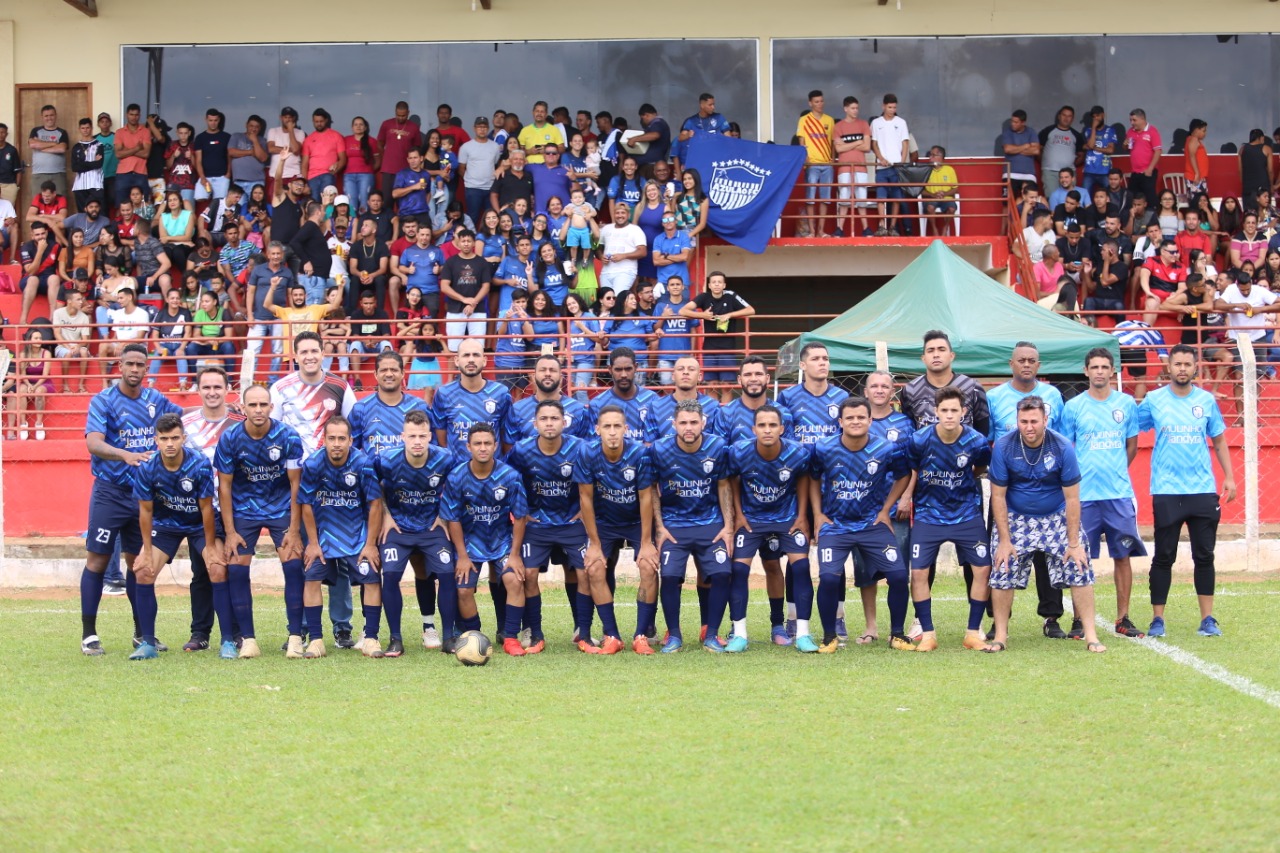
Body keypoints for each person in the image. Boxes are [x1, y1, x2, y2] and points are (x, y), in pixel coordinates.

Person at [79, 344, 184, 656]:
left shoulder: (157, 401)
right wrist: (125, 454)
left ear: (147, 367)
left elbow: (180, 423)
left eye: (141, 364)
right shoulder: (104, 401)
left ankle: (142, 633)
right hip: (110, 493)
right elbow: (93, 443)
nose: (135, 369)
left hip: (144, 496)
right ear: (119, 366)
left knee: (139, 563)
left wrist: (213, 411)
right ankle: (89, 634)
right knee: (97, 560)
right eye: (130, 364)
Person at [986, 396, 1106, 653]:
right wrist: (1004, 541)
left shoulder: (1062, 447)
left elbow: (1073, 498)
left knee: (1079, 565)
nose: (1029, 427)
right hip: (1017, 517)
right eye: (1023, 421)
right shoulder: (1004, 446)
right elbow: (997, 495)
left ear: (1045, 420)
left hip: (1056, 516)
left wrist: (1073, 543)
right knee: (1002, 569)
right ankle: (1001, 636)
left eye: (1034, 421)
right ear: (1017, 421)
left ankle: (1092, 636)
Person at [1136, 344, 1235, 638]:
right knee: (1164, 555)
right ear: (1169, 367)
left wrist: (1229, 477)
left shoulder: (1206, 400)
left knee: (1204, 555)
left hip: (1202, 490)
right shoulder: (1153, 400)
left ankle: (1208, 619)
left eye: (1187, 364)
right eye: (1176, 364)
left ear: (1195, 368)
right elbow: (1131, 431)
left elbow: (1218, 441)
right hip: (1166, 490)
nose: (1182, 369)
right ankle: (1158, 619)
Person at [807, 396, 913, 653]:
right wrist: (818, 515)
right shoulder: (823, 447)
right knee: (829, 579)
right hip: (836, 525)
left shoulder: (886, 448)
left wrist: (886, 509)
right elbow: (811, 478)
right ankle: (829, 637)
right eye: (850, 418)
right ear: (841, 421)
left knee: (899, 576)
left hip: (872, 524)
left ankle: (897, 635)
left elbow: (904, 475)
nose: (856, 421)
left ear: (870, 419)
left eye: (861, 417)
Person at [1057, 348, 1148, 638]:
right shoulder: (1073, 407)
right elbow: (1064, 449)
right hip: (1082, 497)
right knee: (1080, 556)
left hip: (1118, 494)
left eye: (1104, 367)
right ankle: (1078, 619)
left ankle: (1123, 618)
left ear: (1112, 371)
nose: (1099, 371)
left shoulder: (1125, 404)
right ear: (1086, 371)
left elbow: (1131, 445)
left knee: (1123, 556)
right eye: (1094, 367)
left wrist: (1116, 469)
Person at [214, 383, 304, 658]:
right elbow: (224, 487)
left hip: (281, 509)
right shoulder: (229, 438)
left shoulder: (287, 436)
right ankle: (249, 640)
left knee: (293, 565)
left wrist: (296, 529)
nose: (258, 410)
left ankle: (295, 637)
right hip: (244, 511)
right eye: (252, 405)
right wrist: (229, 531)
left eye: (263, 405)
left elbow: (295, 484)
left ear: (271, 407)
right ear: (242, 407)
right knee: (238, 569)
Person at [131, 414, 228, 658]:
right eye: (164, 439)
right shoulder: (147, 468)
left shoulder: (199, 464)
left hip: (198, 524)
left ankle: (228, 641)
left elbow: (207, 508)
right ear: (156, 440)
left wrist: (211, 548)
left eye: (175, 437)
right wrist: (146, 550)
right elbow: (145, 510)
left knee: (217, 569)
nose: (170, 443)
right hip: (165, 526)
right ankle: (148, 644)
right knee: (143, 571)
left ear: (184, 438)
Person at [905, 386, 993, 652]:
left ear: (964, 412)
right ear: (935, 411)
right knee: (918, 572)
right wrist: (907, 496)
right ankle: (928, 633)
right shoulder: (919, 439)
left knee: (983, 569)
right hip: (928, 514)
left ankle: (972, 633)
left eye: (955, 410)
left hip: (966, 513)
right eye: (944, 410)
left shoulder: (976, 441)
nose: (949, 415)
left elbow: (980, 467)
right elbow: (913, 468)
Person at [506, 400, 597, 653]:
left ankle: (584, 632)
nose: (549, 423)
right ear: (535, 424)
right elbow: (509, 481)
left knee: (584, 573)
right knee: (530, 574)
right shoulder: (521, 451)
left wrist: (582, 510)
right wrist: (523, 512)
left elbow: (596, 479)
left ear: (564, 422)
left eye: (554, 418)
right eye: (544, 419)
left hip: (571, 522)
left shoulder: (579, 448)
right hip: (537, 524)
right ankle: (535, 632)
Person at [375, 409, 462, 657]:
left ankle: (448, 638)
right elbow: (371, 485)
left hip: (431, 528)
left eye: (422, 436)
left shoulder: (445, 458)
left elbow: (457, 485)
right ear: (402, 436)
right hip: (398, 528)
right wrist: (387, 515)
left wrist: (444, 514)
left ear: (430, 436)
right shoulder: (386, 459)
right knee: (390, 576)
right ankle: (395, 640)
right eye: (412, 436)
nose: (417, 441)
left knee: (446, 575)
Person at [726, 404, 812, 653]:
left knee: (801, 566)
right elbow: (731, 478)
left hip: (786, 518)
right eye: (762, 425)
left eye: (772, 425)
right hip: (751, 520)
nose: (767, 430)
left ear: (782, 428)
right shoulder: (739, 452)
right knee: (738, 570)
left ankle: (798, 632)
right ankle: (739, 634)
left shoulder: (797, 453)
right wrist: (738, 515)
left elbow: (804, 477)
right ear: (753, 429)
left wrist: (801, 515)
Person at [297, 415, 385, 659]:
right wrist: (313, 543)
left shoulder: (363, 463)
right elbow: (305, 504)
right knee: (311, 578)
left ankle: (371, 638)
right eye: (331, 438)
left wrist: (370, 545)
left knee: (372, 579)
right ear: (324, 440)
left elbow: (375, 505)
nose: (336, 443)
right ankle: (316, 641)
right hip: (323, 538)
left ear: (350, 440)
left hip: (356, 538)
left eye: (341, 438)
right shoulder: (313, 464)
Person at [650, 400, 734, 653]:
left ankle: (712, 634)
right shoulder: (659, 449)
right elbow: (652, 490)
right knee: (670, 576)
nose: (689, 428)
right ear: (674, 424)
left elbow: (724, 486)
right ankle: (674, 635)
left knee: (721, 574)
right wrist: (659, 526)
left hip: (710, 523)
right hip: (674, 525)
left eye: (693, 422)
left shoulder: (717, 446)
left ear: (703, 423)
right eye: (683, 422)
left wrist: (728, 526)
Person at [439, 423, 528, 650]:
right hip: (470, 544)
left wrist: (515, 555)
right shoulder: (457, 476)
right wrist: (461, 556)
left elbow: (519, 516)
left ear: (495, 446)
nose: (482, 448)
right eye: (477, 443)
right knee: (463, 588)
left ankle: (509, 637)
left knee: (513, 579)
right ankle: (474, 635)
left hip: (501, 541)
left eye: (487, 443)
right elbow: (454, 519)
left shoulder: (510, 476)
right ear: (468, 446)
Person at [179, 365, 245, 652]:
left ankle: (239, 632)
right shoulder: (186, 423)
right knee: (202, 572)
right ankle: (200, 632)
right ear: (198, 390)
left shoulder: (240, 423)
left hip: (234, 508)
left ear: (227, 389)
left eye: (217, 386)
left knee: (234, 569)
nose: (212, 392)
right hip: (200, 509)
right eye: (206, 387)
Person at [430, 336, 511, 457]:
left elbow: (506, 436)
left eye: (476, 355)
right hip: (457, 471)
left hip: (492, 471)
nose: (471, 360)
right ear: (457, 360)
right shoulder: (444, 394)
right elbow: (441, 438)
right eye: (466, 355)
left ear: (484, 360)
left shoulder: (500, 393)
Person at [680, 271, 754, 403]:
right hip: (709, 347)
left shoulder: (731, 296)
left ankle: (725, 415)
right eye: (714, 282)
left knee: (726, 385)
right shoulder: (704, 297)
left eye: (719, 282)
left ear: (724, 285)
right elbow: (683, 311)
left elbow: (751, 310)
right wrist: (703, 315)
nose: (717, 285)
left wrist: (730, 315)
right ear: (709, 285)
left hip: (728, 348)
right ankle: (712, 414)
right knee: (711, 385)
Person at [242, 241, 292, 384]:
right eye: (273, 254)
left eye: (278, 254)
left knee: (277, 352)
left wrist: (291, 316)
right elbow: (250, 292)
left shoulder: (287, 272)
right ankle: (247, 382)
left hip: (278, 317)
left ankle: (273, 382)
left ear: (282, 255)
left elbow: (290, 295)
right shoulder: (258, 270)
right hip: (258, 317)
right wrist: (250, 315)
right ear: (268, 255)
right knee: (251, 351)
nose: (276, 256)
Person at [797, 90, 836, 238]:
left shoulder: (830, 120)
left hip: (827, 165)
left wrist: (832, 160)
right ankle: (812, 231)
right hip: (812, 164)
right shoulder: (804, 120)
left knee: (825, 199)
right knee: (811, 199)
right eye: (816, 102)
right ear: (810, 103)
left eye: (821, 101)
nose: (820, 104)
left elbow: (832, 143)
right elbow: (801, 142)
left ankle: (821, 231)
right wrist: (806, 160)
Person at [869, 94, 910, 236]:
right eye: (890, 107)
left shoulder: (901, 122)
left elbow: (905, 143)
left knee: (896, 198)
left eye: (894, 107)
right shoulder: (876, 123)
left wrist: (902, 162)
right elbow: (873, 144)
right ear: (883, 106)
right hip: (881, 167)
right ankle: (882, 225)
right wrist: (880, 158)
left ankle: (892, 226)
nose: (892, 110)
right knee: (881, 197)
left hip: (896, 166)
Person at [147, 288, 192, 391]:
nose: (175, 300)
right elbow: (155, 334)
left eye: (177, 298)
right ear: (167, 299)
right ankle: (150, 385)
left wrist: (181, 348)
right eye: (172, 298)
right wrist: (158, 348)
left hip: (179, 344)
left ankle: (183, 385)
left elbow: (188, 332)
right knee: (156, 355)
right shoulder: (161, 313)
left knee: (180, 354)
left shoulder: (185, 312)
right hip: (164, 345)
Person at [18, 220, 62, 325]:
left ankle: (53, 318)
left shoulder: (55, 246)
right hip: (28, 280)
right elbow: (31, 271)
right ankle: (23, 320)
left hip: (48, 281)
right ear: (32, 235)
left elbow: (60, 269)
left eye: (43, 233)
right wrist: (40, 251)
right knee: (33, 279)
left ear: (46, 233)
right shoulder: (26, 247)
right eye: (37, 235)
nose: (41, 237)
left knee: (54, 278)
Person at [598, 202, 647, 294]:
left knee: (617, 298)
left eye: (623, 213)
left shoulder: (635, 230)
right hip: (606, 272)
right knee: (606, 300)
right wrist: (601, 256)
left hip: (625, 271)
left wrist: (624, 256)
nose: (620, 215)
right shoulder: (606, 228)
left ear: (628, 215)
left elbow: (643, 252)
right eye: (617, 213)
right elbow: (599, 248)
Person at [1037, 106, 1084, 197]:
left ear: (1072, 118)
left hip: (1069, 173)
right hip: (1050, 172)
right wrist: (1044, 162)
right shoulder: (1048, 131)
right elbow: (1038, 149)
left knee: (1069, 199)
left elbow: (1081, 155)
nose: (1066, 118)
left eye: (1069, 116)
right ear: (1059, 116)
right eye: (1064, 115)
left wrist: (1071, 164)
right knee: (1052, 198)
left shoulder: (1076, 135)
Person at [53, 289, 92, 392]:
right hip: (62, 347)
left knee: (84, 351)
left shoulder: (84, 317)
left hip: (77, 347)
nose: (81, 302)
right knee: (68, 353)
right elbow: (57, 334)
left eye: (81, 299)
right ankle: (65, 385)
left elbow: (85, 339)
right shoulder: (58, 313)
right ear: (69, 301)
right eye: (78, 299)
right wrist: (68, 346)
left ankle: (81, 385)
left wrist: (78, 346)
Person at [29, 105, 69, 200]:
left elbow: (62, 149)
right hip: (39, 174)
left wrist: (41, 146)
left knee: (60, 202)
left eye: (51, 115)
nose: (49, 118)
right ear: (42, 117)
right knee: (37, 203)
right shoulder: (36, 131)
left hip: (58, 174)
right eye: (46, 116)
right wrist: (54, 143)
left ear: (56, 116)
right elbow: (32, 145)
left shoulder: (62, 132)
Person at [193, 109, 231, 203]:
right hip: (206, 177)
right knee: (199, 197)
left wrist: (228, 174)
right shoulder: (200, 138)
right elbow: (198, 160)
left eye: (215, 120)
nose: (213, 123)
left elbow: (230, 157)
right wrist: (202, 178)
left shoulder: (226, 137)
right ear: (206, 119)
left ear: (219, 120)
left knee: (220, 203)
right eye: (210, 120)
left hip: (222, 177)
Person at [1125, 108, 1162, 205]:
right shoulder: (1130, 131)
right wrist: (1124, 144)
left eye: (1134, 120)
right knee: (1132, 197)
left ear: (1142, 119)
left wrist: (1150, 169)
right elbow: (1127, 148)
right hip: (1135, 171)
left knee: (1149, 198)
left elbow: (1158, 151)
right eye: (1130, 120)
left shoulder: (1152, 131)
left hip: (1148, 171)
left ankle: (1153, 218)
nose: (1132, 123)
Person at [1002, 109, 1041, 198]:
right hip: (1009, 174)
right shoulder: (1007, 132)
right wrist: (1025, 146)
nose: (1013, 124)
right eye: (1012, 121)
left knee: (1030, 202)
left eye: (1016, 122)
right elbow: (1008, 149)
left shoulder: (1031, 132)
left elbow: (1036, 151)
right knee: (1006, 202)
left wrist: (1015, 148)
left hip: (1029, 175)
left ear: (1023, 123)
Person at [71, 117, 106, 212]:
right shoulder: (76, 147)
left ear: (91, 128)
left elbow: (99, 164)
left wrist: (82, 164)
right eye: (83, 128)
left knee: (98, 211)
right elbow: (74, 167)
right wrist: (92, 163)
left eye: (87, 127)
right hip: (80, 185)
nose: (85, 130)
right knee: (83, 212)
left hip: (95, 183)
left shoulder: (99, 144)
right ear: (79, 129)